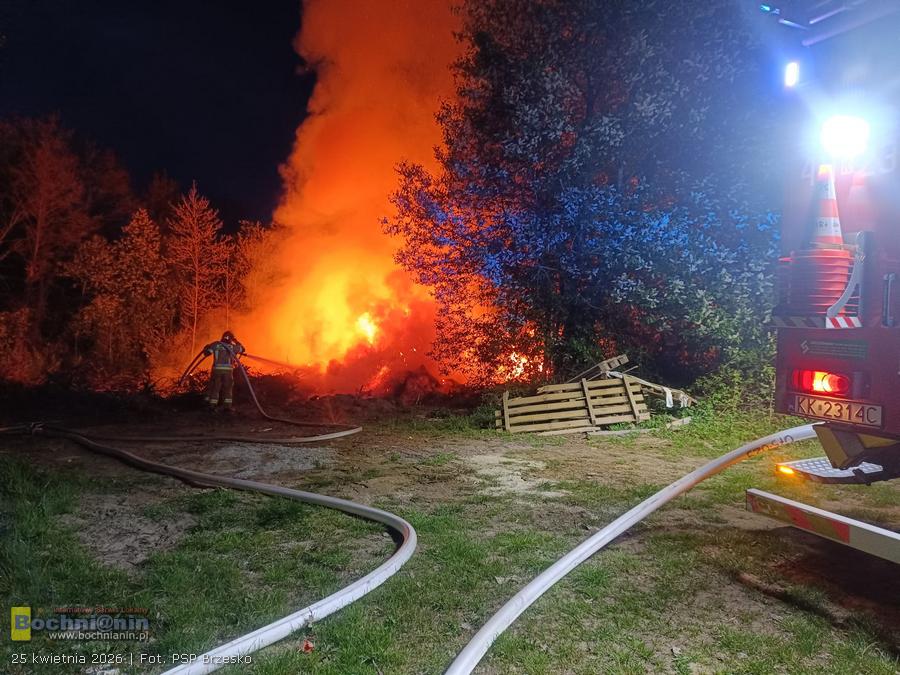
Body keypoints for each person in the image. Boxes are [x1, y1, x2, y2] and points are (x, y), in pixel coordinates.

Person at [202, 331, 245, 411]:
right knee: (228, 388)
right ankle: (227, 406)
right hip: (228, 372)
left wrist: (206, 347)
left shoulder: (215, 345)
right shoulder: (232, 347)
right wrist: (236, 341)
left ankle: (212, 405)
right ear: (231, 339)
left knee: (215, 387)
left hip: (217, 371)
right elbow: (242, 349)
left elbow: (206, 353)